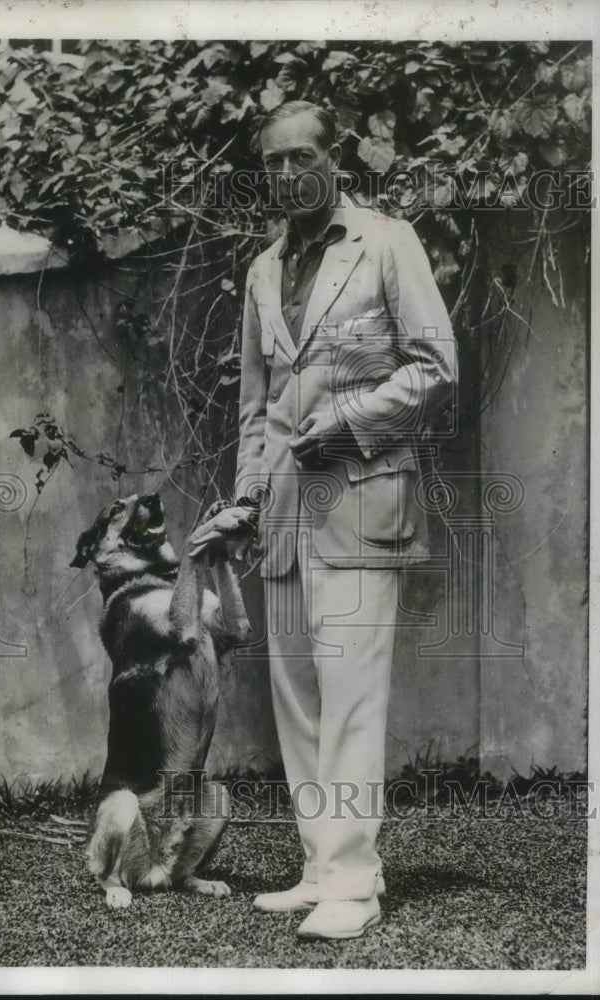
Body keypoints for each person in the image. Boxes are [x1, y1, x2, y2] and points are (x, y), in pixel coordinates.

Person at [232, 101, 458, 939]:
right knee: (297, 698)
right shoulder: (262, 268)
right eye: (273, 163)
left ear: (338, 159)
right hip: (284, 516)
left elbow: (435, 367)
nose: (287, 175)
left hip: (364, 507)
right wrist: (243, 501)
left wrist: (352, 420)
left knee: (352, 699)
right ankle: (321, 867)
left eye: (302, 158)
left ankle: (355, 888)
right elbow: (256, 411)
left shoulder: (386, 242)